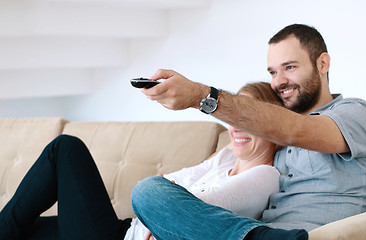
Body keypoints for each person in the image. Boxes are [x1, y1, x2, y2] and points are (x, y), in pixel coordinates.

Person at [134, 23, 366, 240]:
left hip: (310, 233)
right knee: (151, 192)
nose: (278, 82)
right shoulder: (272, 134)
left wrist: (201, 97)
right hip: (256, 230)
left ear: (322, 63)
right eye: (273, 72)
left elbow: (296, 130)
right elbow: (225, 156)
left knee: (146, 193)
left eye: (290, 67)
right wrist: (172, 217)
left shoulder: (355, 113)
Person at [0, 82, 283, 240]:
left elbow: (194, 207)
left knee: (65, 149)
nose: (236, 128)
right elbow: (166, 185)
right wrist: (160, 201)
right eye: (235, 118)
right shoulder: (224, 157)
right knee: (26, 229)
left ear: (275, 129)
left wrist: (163, 199)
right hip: (127, 229)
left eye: (251, 120)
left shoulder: (265, 176)